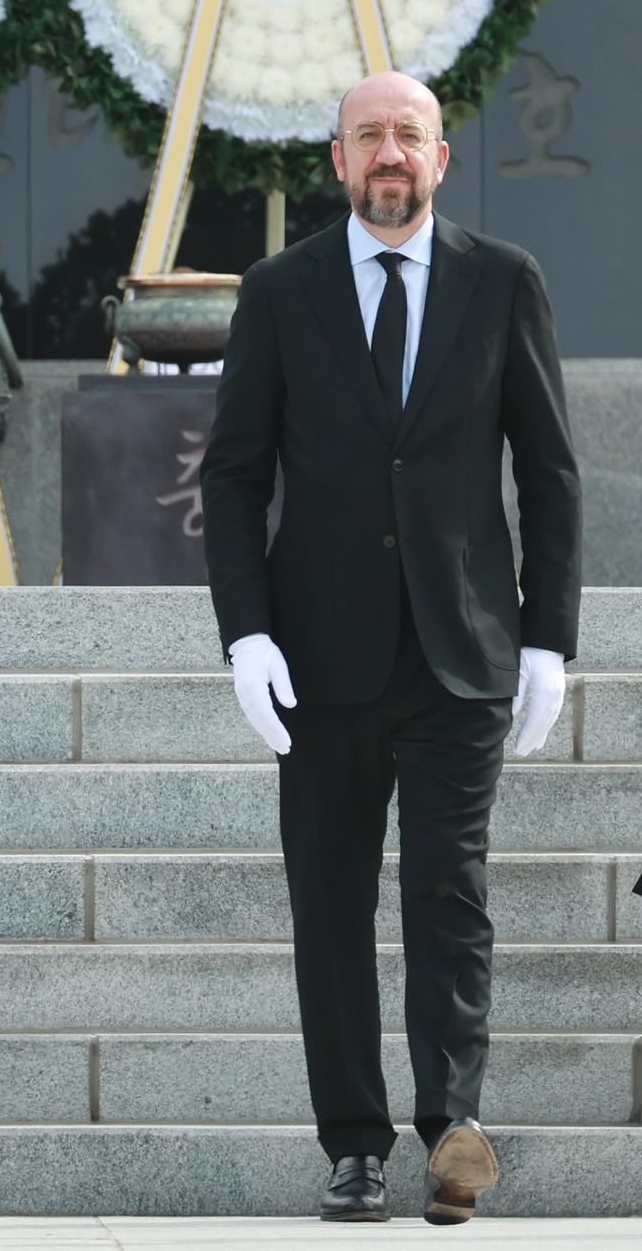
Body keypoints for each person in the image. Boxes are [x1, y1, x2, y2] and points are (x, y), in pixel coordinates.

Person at [200, 71, 581, 1227]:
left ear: (441, 157)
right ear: (337, 159)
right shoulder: (280, 290)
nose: (389, 155)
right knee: (328, 901)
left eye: (408, 135)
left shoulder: (504, 282)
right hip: (318, 657)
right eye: (369, 136)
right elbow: (234, 473)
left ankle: (451, 1126)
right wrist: (246, 631)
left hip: (462, 648)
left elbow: (550, 474)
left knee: (446, 889)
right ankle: (354, 1144)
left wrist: (549, 639)